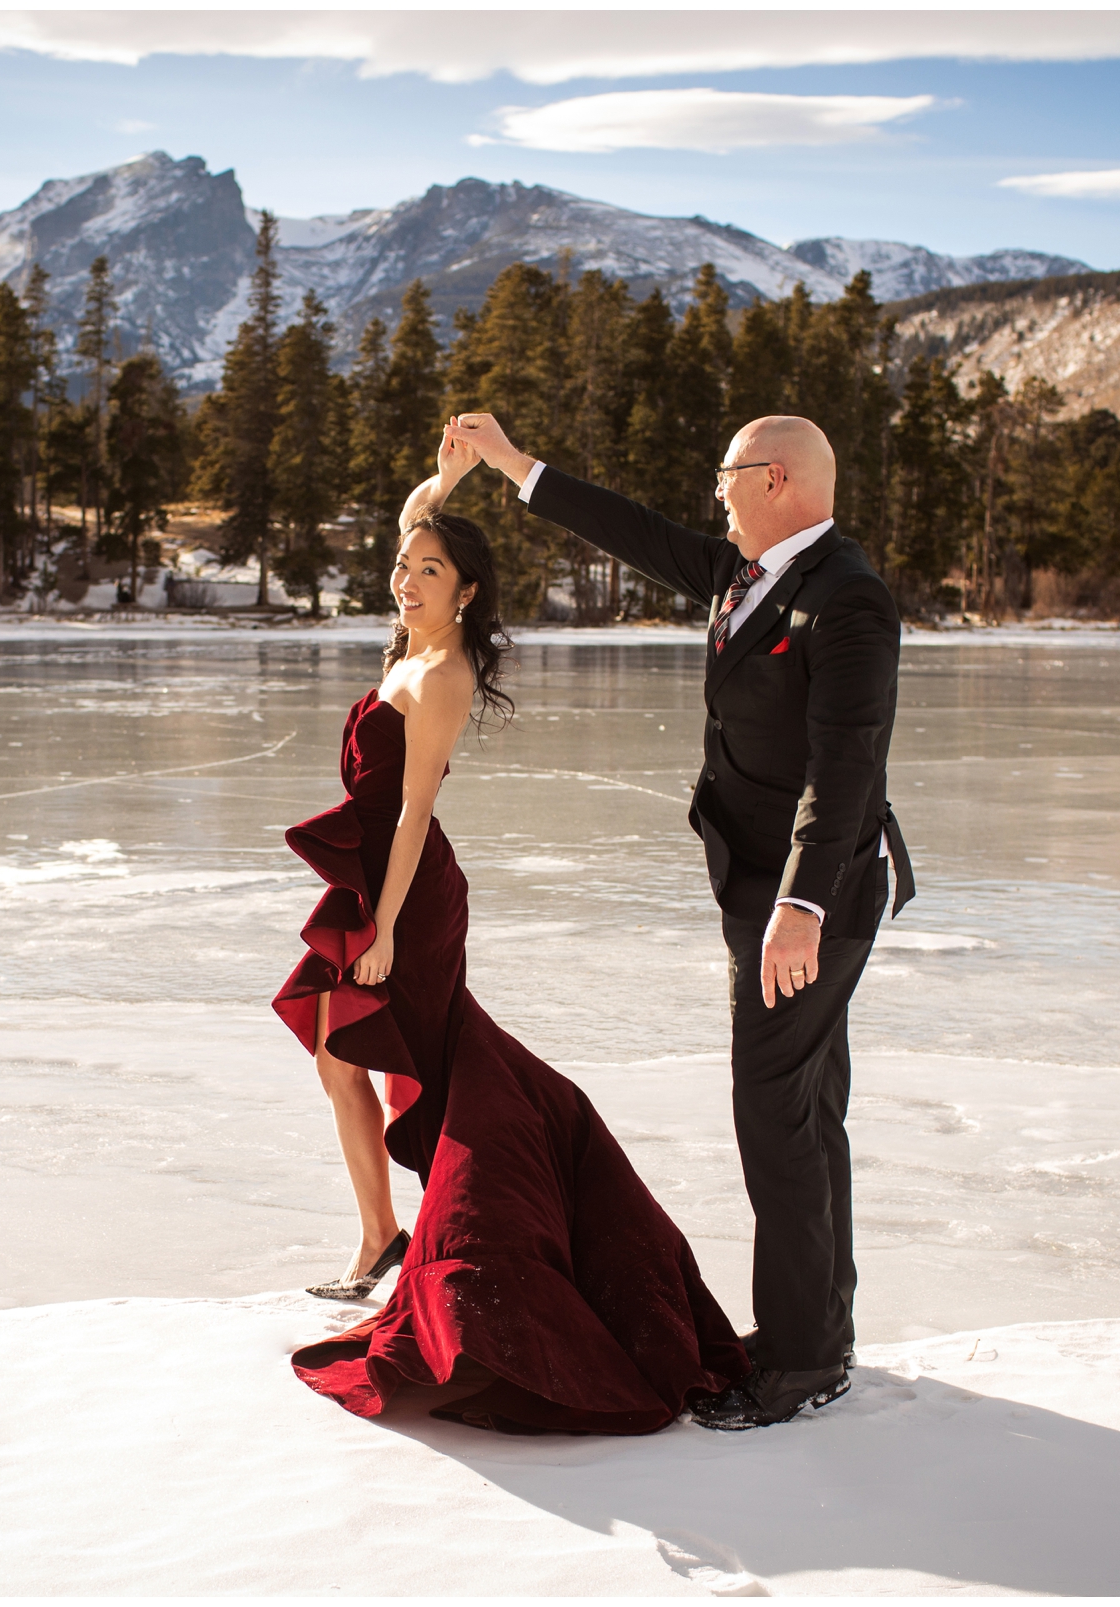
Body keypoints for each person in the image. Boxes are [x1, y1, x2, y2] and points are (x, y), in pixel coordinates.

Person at [274, 432, 748, 1436]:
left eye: (431, 570)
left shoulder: (439, 672)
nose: (407, 578)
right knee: (333, 1046)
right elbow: (413, 512)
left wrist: (391, 925)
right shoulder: (412, 630)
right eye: (404, 567)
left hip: (408, 889)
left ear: (469, 591)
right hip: (372, 876)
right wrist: (454, 471)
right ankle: (379, 1236)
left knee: (437, 1069)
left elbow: (411, 812)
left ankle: (454, 1236)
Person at [448, 409, 912, 1432]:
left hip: (810, 893)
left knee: (773, 1113)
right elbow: (635, 529)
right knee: (803, 1105)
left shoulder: (847, 596)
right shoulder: (746, 572)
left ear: (776, 478)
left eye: (727, 475)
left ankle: (801, 1360)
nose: (715, 492)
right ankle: (814, 1332)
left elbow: (847, 772)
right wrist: (516, 466)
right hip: (762, 882)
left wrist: (799, 903)